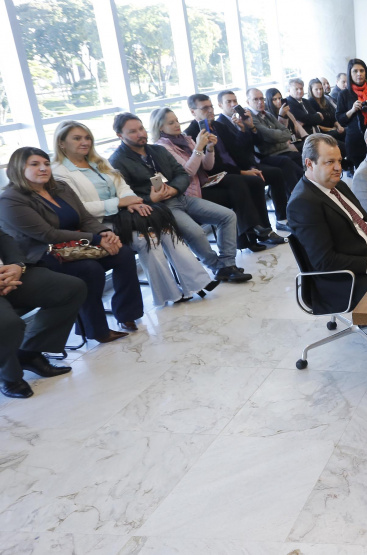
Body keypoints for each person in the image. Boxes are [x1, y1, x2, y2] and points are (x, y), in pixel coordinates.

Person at [52, 120, 214, 307]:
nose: (85, 142)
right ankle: (169, 294)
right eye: (77, 138)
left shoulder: (98, 161)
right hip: (98, 223)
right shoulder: (59, 173)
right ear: (62, 143)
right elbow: (79, 208)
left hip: (125, 214)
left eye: (87, 137)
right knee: (148, 239)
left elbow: (123, 186)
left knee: (166, 229)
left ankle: (197, 283)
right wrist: (120, 202)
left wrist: (133, 203)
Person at [0, 147, 142, 343]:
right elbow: (47, 234)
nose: (43, 168)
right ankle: (96, 329)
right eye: (35, 164)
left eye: (46, 164)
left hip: (77, 245)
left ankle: (127, 314)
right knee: (89, 269)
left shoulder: (60, 187)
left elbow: (84, 218)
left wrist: (104, 233)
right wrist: (95, 239)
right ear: (18, 168)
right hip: (42, 255)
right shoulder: (10, 200)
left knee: (123, 253)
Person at [287, 134, 367, 354]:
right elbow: (325, 262)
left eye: (339, 161)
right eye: (329, 162)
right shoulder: (303, 203)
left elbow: (365, 221)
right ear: (309, 163)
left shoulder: (338, 185)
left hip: (363, 258)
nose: (337, 167)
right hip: (339, 279)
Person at [108, 112, 251, 283]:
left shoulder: (157, 150)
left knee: (227, 216)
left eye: (141, 129)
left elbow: (182, 174)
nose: (141, 134)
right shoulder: (117, 161)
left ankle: (227, 264)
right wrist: (150, 198)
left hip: (180, 197)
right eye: (133, 132)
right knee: (196, 232)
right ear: (120, 135)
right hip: (160, 207)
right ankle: (218, 267)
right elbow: (125, 194)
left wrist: (175, 189)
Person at [153, 106, 283, 254]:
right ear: (160, 127)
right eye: (171, 123)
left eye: (176, 120)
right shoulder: (163, 147)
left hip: (205, 182)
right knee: (238, 185)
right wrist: (199, 148)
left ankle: (256, 233)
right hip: (190, 191)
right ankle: (252, 234)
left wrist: (209, 149)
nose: (177, 124)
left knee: (253, 182)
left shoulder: (186, 139)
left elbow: (207, 166)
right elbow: (188, 172)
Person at [0, 227, 85, 398]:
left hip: (7, 276)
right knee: (7, 324)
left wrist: (17, 265)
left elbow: (3, 237)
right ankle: (9, 377)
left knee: (70, 288)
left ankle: (29, 353)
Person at [215, 89, 296, 231]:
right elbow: (235, 150)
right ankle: (265, 227)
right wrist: (241, 131)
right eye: (229, 102)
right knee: (274, 170)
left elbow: (255, 142)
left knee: (278, 172)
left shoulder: (239, 118)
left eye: (235, 101)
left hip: (252, 161)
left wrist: (251, 127)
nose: (233, 104)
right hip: (240, 167)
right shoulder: (220, 124)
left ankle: (282, 218)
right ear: (220, 105)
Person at [246, 88, 302, 166]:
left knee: (301, 158)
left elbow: (287, 132)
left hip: (283, 150)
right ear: (248, 102)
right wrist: (279, 134)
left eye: (262, 98)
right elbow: (270, 136)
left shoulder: (267, 114)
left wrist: (277, 134)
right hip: (268, 155)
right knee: (288, 161)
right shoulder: (249, 117)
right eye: (255, 99)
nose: (260, 102)